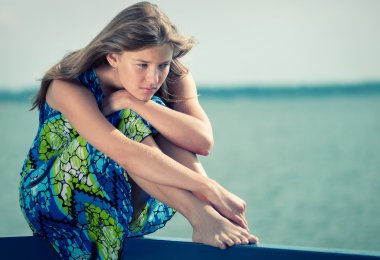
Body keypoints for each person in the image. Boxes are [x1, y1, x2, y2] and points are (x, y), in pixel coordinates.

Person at [19, 1, 258, 259]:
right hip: (55, 200)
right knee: (131, 118)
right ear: (113, 57)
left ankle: (207, 214)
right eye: (142, 65)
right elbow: (124, 153)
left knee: (152, 112)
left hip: (129, 196)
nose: (154, 78)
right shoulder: (67, 85)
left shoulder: (174, 75)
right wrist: (211, 188)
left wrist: (131, 100)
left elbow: (202, 142)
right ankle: (201, 214)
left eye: (162, 65)